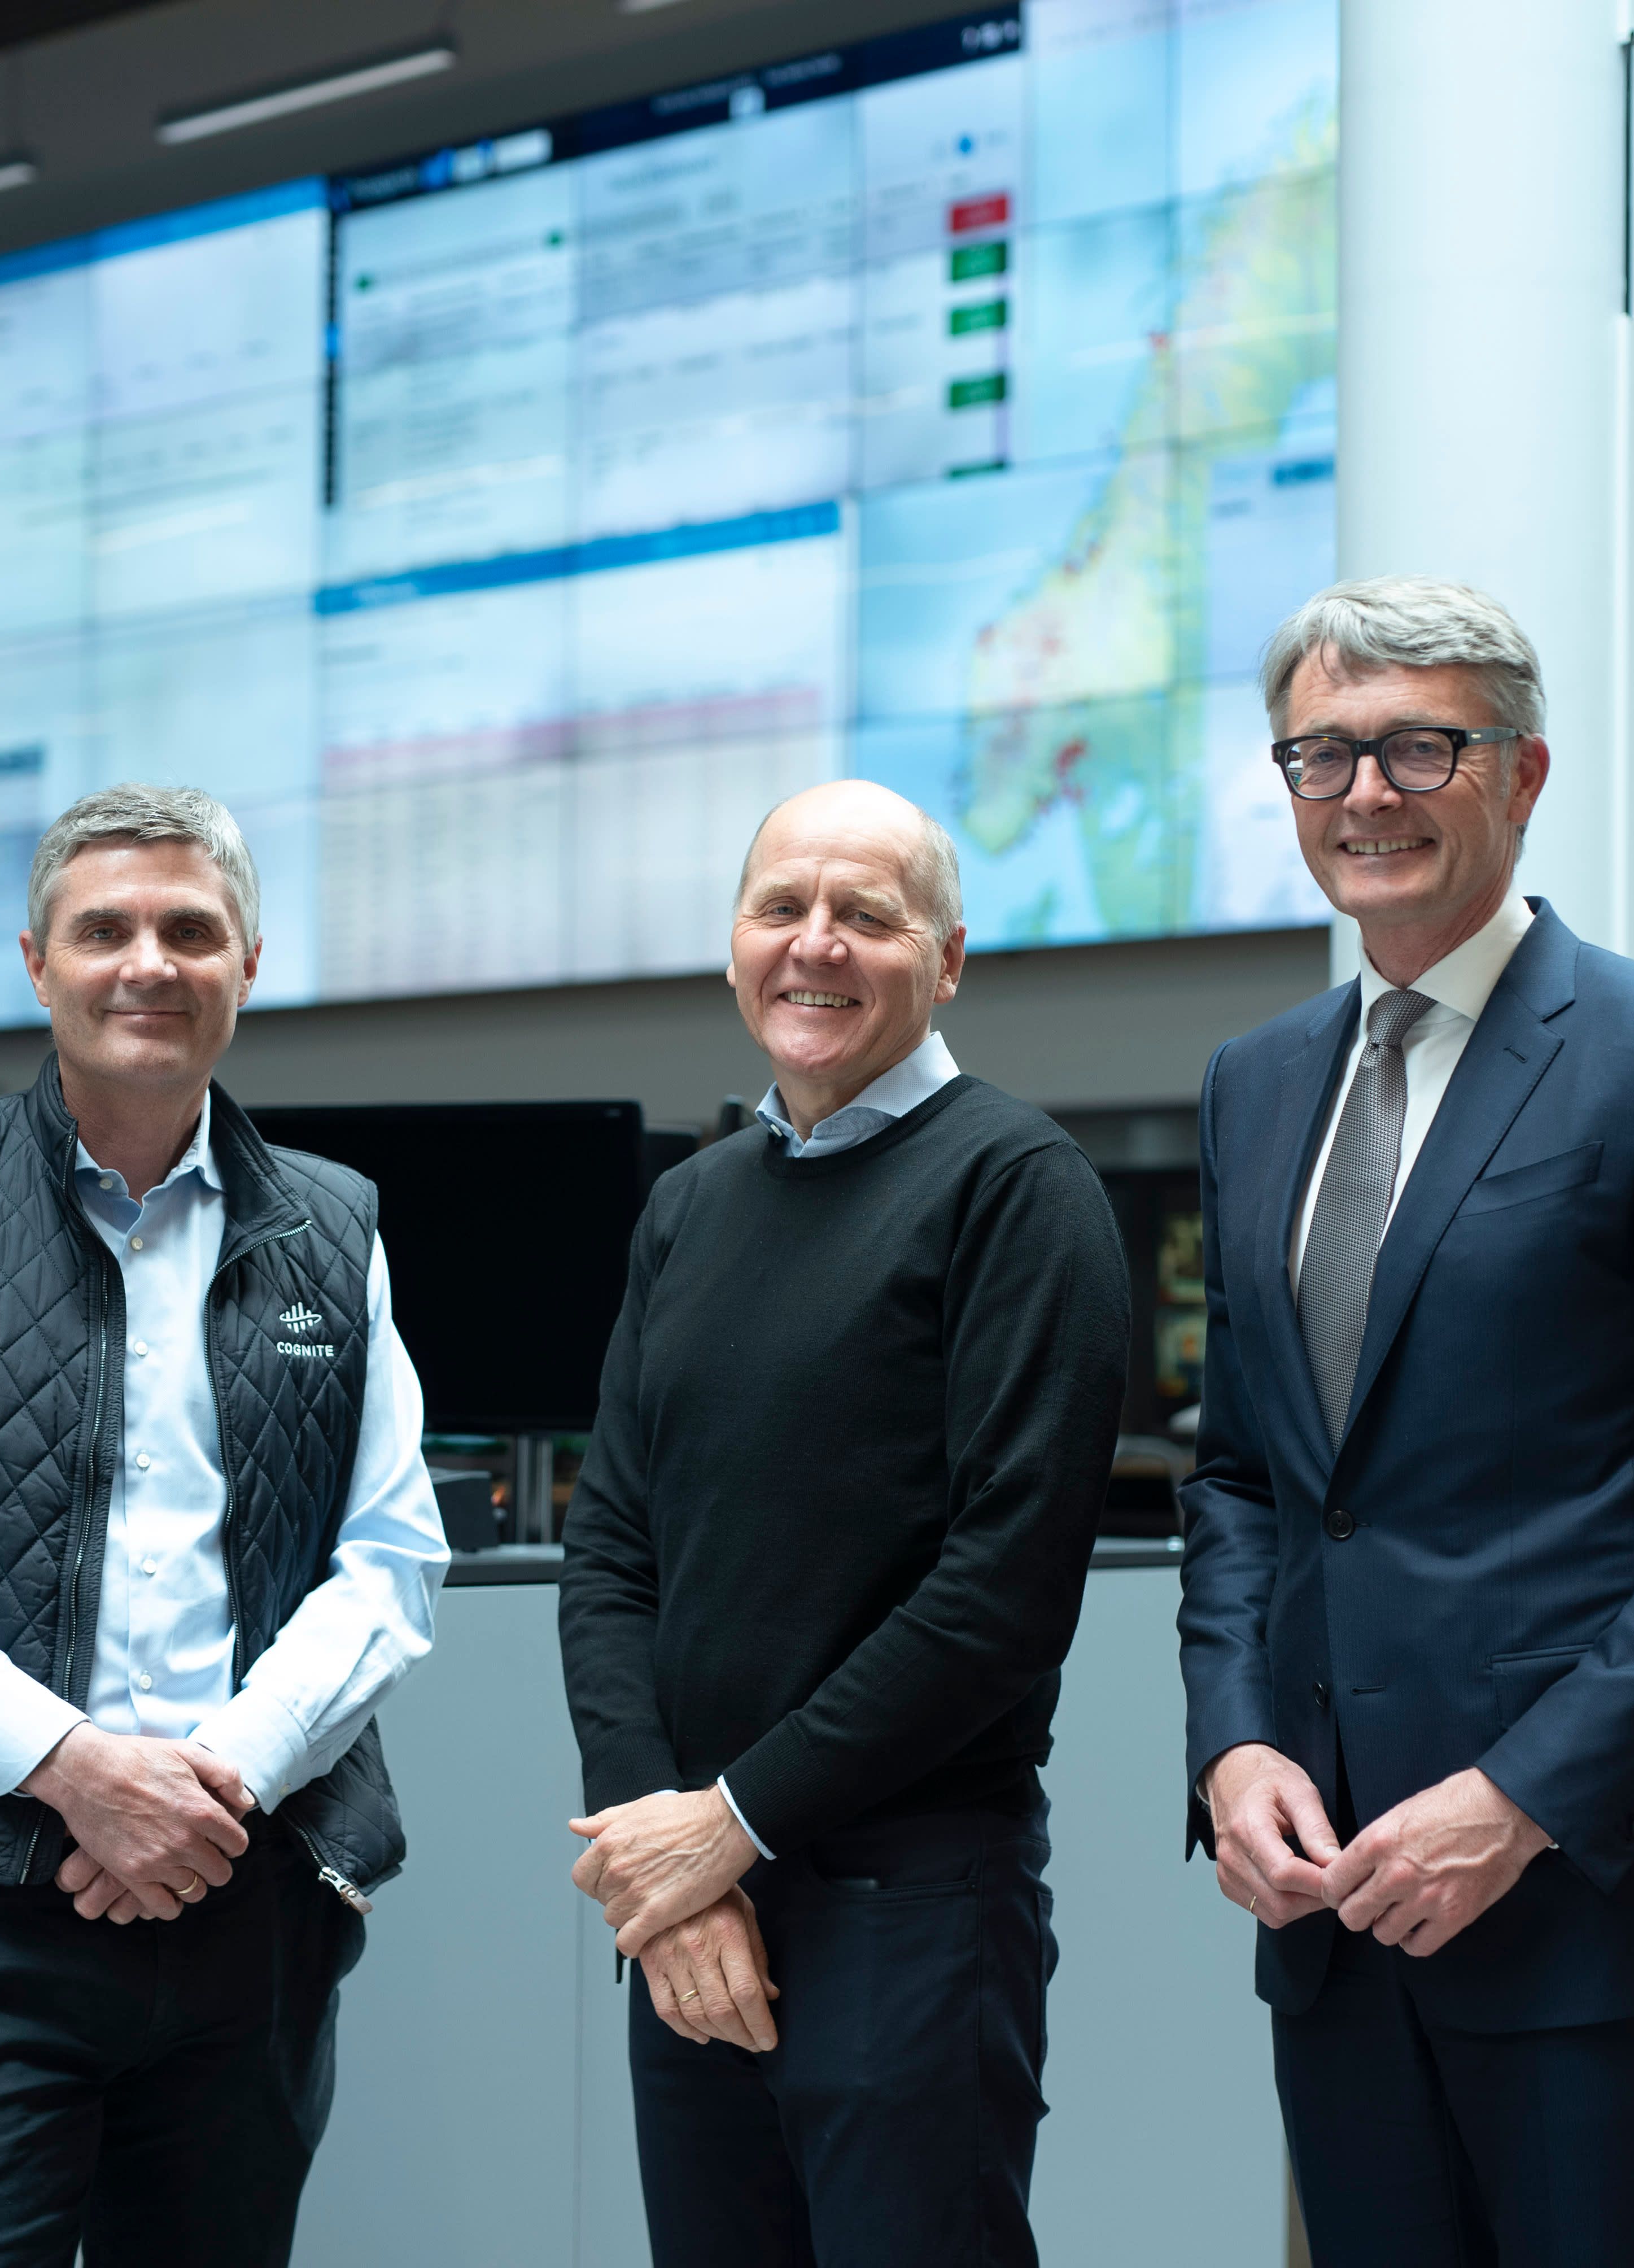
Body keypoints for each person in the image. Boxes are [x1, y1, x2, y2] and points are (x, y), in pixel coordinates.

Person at [1176, 578, 1634, 2266]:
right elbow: (1248, 1478)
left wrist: (1524, 1796)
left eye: (1422, 745)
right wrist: (1234, 1744)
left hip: (1586, 1909)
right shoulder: (1256, 1083)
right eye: (1321, 754)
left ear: (1525, 774)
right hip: (1335, 1902)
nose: (1366, 793)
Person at [0, 783, 452, 2268]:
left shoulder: (334, 1224)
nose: (151, 962)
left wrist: (214, 1791)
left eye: (192, 929)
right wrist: (76, 1774)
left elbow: (390, 1562)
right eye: (106, 929)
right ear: (37, 963)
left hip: (245, 1915)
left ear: (248, 966)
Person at [557, 778, 1131, 2268]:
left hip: (910, 1906)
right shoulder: (690, 1205)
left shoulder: (1018, 1189)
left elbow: (1001, 1592)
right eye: (781, 908)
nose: (816, 945)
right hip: (693, 1910)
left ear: (946, 961)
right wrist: (660, 1867)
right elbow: (613, 1545)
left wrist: (728, 1824)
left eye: (866, 915)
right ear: (736, 944)